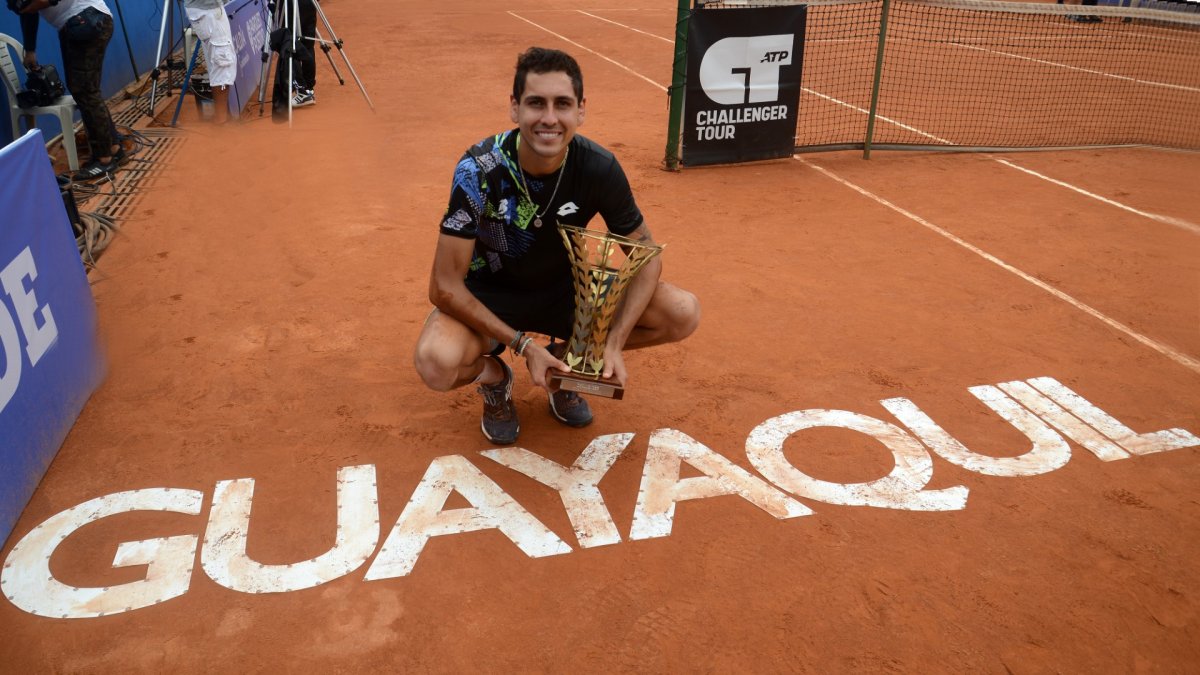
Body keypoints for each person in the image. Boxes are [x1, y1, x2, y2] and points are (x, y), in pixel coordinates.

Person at [413, 47, 701, 445]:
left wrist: (611, 344)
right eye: (536, 103)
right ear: (515, 108)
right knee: (435, 362)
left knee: (681, 312)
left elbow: (646, 257)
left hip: (569, 298)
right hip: (492, 297)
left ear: (580, 110)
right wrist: (523, 345)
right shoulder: (477, 169)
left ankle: (568, 369)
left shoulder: (599, 167)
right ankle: (496, 379)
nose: (549, 118)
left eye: (562, 104)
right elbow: (443, 286)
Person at [7, 0, 123, 180]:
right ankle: (113, 149)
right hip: (85, 20)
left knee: (85, 91)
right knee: (86, 91)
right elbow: (26, 13)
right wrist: (30, 50)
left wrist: (28, 6)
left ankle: (104, 160)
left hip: (84, 20)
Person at [183, 0, 237, 124]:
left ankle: (222, 118)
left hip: (210, 9)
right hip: (207, 11)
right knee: (222, 64)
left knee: (222, 62)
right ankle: (221, 122)